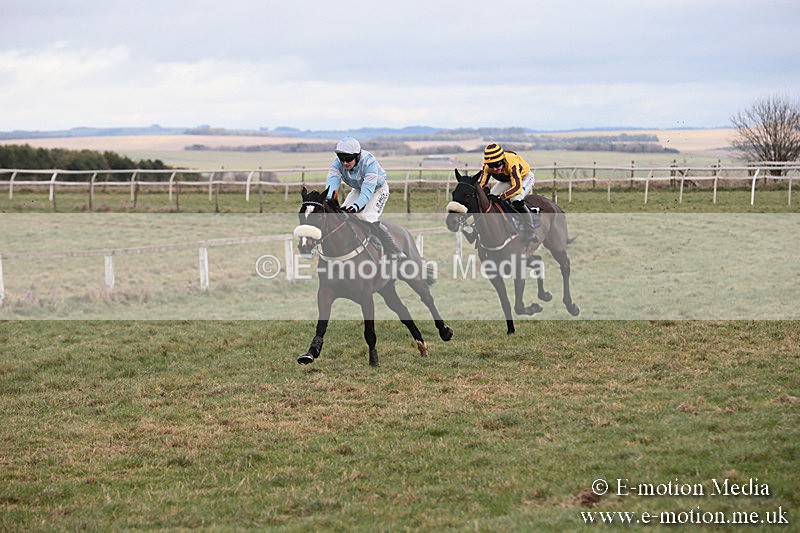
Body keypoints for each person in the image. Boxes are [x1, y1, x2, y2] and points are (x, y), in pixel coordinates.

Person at [325, 137, 406, 260]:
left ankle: (394, 250)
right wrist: (329, 200)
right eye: (342, 158)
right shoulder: (337, 163)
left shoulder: (369, 163)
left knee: (368, 217)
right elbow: (332, 184)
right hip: (358, 189)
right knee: (341, 216)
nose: (345, 163)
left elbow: (367, 193)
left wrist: (354, 208)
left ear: (357, 156)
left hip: (377, 190)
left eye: (348, 159)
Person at [479, 143, 540, 243]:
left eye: (497, 164)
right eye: (491, 165)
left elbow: (517, 188)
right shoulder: (486, 167)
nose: (494, 169)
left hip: (524, 178)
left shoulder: (512, 163)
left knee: (515, 199)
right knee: (490, 199)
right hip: (508, 179)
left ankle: (531, 231)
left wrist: (501, 197)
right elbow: (481, 184)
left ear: (503, 160)